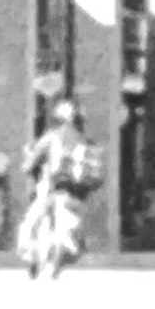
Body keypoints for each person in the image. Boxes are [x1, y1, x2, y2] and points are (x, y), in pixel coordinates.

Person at [18, 90, 94, 283]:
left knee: (30, 224)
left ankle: (32, 254)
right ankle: (62, 254)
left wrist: (28, 158)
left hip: (49, 190)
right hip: (74, 193)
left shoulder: (51, 137)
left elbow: (28, 166)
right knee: (67, 226)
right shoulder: (82, 139)